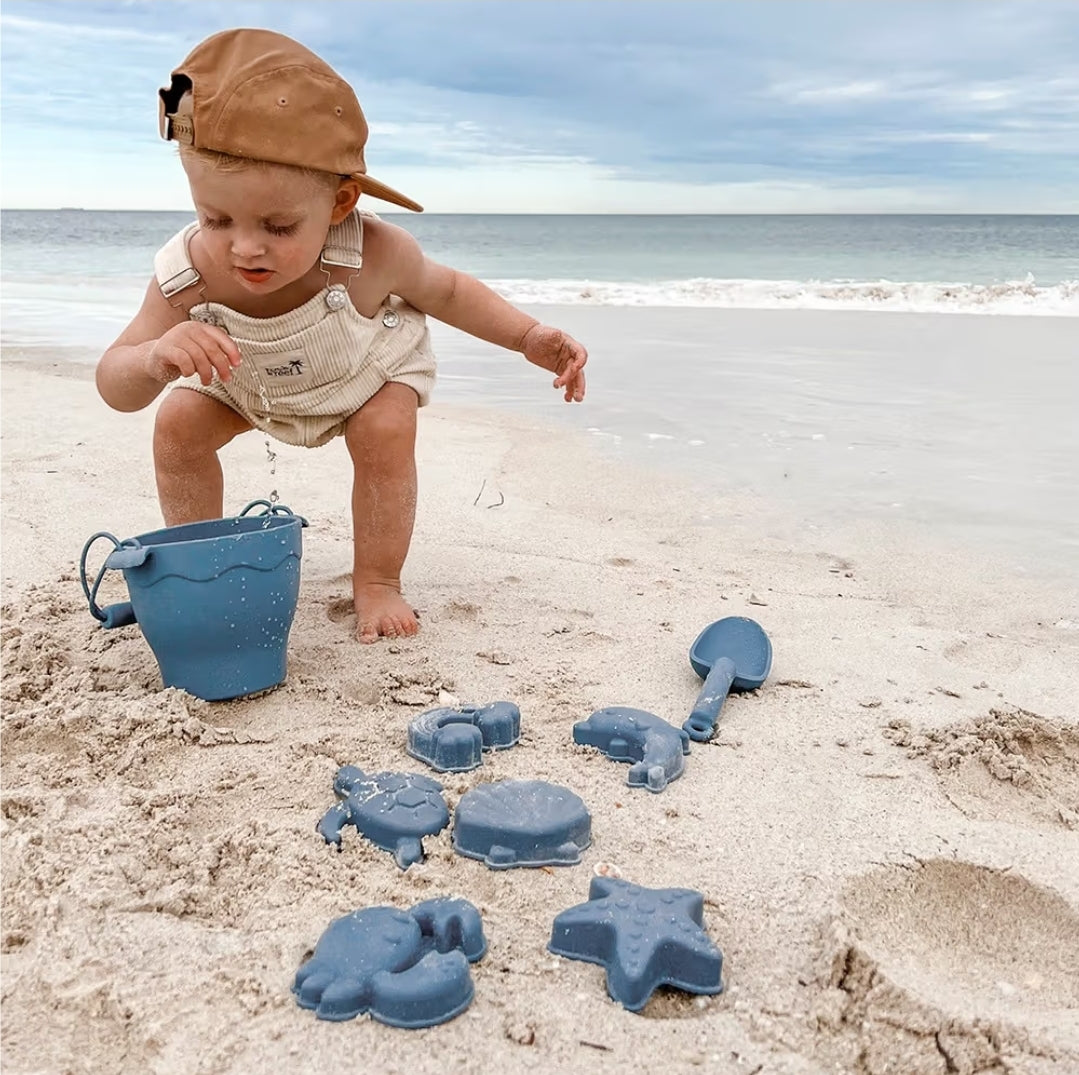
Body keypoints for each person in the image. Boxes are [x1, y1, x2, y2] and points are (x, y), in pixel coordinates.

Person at [95, 27, 588, 643]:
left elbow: (451, 292)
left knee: (386, 428)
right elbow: (115, 382)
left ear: (340, 202)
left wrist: (529, 337)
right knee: (177, 426)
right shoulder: (190, 274)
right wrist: (153, 359)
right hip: (252, 387)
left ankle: (377, 580)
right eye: (216, 218)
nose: (244, 246)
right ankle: (202, 565)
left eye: (277, 225)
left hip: (365, 373)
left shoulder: (373, 252)